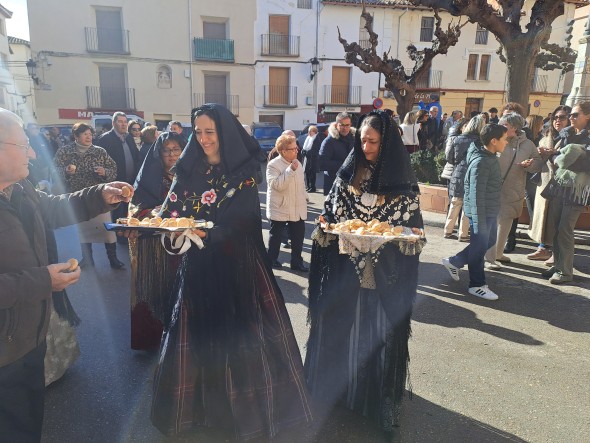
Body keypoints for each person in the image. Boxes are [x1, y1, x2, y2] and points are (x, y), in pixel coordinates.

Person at [150, 104, 312, 439]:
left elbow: (246, 223)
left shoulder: (243, 173)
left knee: (242, 340)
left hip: (239, 266)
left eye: (210, 131)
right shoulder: (188, 168)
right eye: (198, 132)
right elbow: (169, 212)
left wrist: (212, 234)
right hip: (197, 266)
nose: (203, 138)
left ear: (223, 133)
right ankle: (196, 413)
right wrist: (160, 224)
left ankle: (244, 415)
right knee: (195, 338)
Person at [0, 108, 133, 443]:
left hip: (27, 340)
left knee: (26, 425)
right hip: (4, 353)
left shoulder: (19, 187)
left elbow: (51, 207)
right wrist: (43, 281)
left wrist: (99, 195)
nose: (33, 153)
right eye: (24, 146)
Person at [305, 110, 424, 439]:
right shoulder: (348, 174)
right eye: (362, 141)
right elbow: (329, 215)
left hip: (383, 277)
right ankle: (337, 394)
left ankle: (375, 402)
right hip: (345, 272)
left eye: (373, 142)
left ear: (387, 144)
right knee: (342, 330)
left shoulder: (403, 183)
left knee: (376, 335)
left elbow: (413, 231)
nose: (366, 147)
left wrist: (398, 239)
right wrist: (326, 226)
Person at [127, 132, 184, 350]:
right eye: (166, 150)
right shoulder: (149, 179)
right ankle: (155, 340)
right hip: (156, 248)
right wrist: (154, 212)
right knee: (157, 291)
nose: (171, 154)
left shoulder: (191, 175)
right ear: (159, 154)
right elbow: (135, 209)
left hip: (185, 244)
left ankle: (182, 338)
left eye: (176, 149)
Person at [442, 123, 508, 301]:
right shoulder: (482, 162)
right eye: (504, 139)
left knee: (489, 241)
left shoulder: (488, 156)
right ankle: (477, 285)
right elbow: (476, 194)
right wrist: (479, 222)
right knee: (479, 249)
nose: (506, 142)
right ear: (494, 141)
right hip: (482, 212)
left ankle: (454, 261)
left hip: (489, 210)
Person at [53, 123, 124, 269]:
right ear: (76, 136)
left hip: (99, 197)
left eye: (90, 134)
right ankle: (87, 259)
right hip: (78, 198)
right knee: (83, 231)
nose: (89, 137)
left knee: (106, 230)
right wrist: (65, 171)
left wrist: (104, 172)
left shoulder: (99, 151)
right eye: (85, 134)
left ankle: (113, 259)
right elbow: (54, 170)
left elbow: (113, 169)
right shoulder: (65, 152)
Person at [484, 113, 542, 268]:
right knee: (492, 223)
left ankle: (498, 253)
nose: (500, 127)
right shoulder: (495, 139)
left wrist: (530, 164)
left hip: (514, 189)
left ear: (515, 128)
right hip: (493, 187)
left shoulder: (528, 144)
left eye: (505, 125)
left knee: (506, 223)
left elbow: (538, 163)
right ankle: (489, 259)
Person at [540, 101, 590, 284]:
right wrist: (560, 156)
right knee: (556, 229)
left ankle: (565, 272)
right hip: (560, 186)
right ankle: (558, 265)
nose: (571, 118)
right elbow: (560, 159)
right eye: (570, 115)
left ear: (588, 116)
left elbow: (585, 164)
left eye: (575, 114)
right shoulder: (567, 134)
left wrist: (560, 157)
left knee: (565, 230)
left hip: (577, 190)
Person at [527, 105, 571, 263]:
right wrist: (535, 158)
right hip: (544, 181)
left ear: (569, 119)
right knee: (542, 217)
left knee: (556, 219)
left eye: (562, 117)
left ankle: (555, 252)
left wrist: (553, 153)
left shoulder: (572, 138)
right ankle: (542, 248)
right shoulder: (546, 137)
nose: (558, 120)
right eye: (555, 117)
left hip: (562, 184)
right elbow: (538, 161)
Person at [266, 133, 309, 272]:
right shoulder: (273, 165)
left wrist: (305, 196)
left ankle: (297, 262)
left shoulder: (298, 163)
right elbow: (277, 185)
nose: (297, 151)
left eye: (296, 148)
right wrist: (290, 170)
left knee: (298, 237)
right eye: (293, 149)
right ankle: (271, 260)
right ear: (283, 151)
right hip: (280, 206)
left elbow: (301, 183)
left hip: (297, 206)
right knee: (276, 236)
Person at [95, 112, 141, 238]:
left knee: (128, 209)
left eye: (125, 122)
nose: (123, 124)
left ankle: (126, 233)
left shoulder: (129, 137)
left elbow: (136, 156)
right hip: (115, 182)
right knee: (117, 210)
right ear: (113, 123)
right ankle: (118, 236)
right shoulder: (105, 139)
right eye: (120, 121)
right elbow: (99, 161)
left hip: (131, 181)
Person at [444, 115, 485, 241]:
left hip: (458, 173)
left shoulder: (457, 139)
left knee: (455, 203)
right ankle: (463, 234)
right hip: (473, 174)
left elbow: (449, 158)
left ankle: (447, 231)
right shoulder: (481, 142)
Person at [319, 112, 354, 195]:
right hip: (333, 185)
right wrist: (345, 165)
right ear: (336, 125)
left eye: (347, 125)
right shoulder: (329, 141)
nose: (345, 128)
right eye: (342, 125)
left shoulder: (354, 138)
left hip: (351, 185)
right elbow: (322, 163)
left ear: (350, 125)